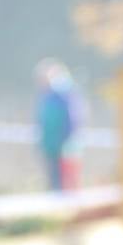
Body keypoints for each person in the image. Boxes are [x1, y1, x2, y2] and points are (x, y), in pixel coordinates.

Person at [35, 59, 82, 192]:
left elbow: (73, 120)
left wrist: (66, 141)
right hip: (50, 147)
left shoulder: (65, 95)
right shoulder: (45, 96)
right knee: (53, 182)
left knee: (67, 183)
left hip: (65, 148)